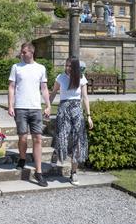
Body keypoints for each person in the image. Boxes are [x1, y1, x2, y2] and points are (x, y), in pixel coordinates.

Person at [8, 42, 51, 187]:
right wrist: (10, 105)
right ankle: (22, 158)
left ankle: (38, 172)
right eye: (22, 52)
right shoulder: (16, 67)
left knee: (38, 138)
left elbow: (44, 88)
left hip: (35, 108)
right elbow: (11, 87)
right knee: (23, 137)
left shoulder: (40, 68)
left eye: (24, 52)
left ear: (32, 52)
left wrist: (48, 105)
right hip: (20, 107)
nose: (22, 54)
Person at [49, 57, 93, 185]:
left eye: (70, 66)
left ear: (75, 67)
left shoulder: (81, 78)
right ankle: (56, 151)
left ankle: (73, 173)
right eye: (66, 65)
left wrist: (89, 115)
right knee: (62, 137)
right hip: (63, 110)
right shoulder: (60, 78)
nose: (67, 68)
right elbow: (53, 93)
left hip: (77, 111)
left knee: (78, 141)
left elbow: (85, 97)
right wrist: (47, 107)